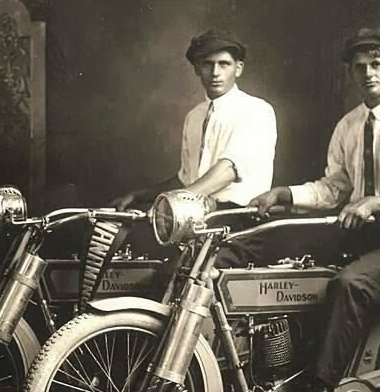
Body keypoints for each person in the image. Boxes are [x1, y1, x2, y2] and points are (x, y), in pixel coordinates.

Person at [250, 27, 380, 392]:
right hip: (365, 235)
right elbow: (334, 188)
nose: (368, 73)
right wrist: (284, 194)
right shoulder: (348, 126)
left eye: (377, 64)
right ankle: (282, 380)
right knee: (291, 267)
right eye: (359, 67)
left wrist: (378, 203)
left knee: (350, 284)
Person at [111, 28, 277, 266]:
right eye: (208, 64)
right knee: (154, 269)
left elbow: (228, 170)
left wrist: (170, 202)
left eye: (224, 64)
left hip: (240, 227)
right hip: (198, 224)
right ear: (197, 68)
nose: (216, 72)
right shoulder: (194, 117)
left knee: (190, 276)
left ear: (238, 68)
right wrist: (139, 195)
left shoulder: (256, 111)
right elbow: (187, 180)